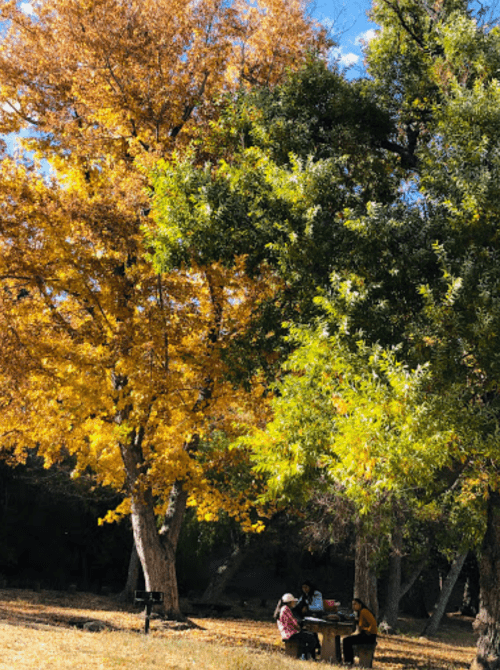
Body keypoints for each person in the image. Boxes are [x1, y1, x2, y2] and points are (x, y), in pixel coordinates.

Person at [275, 593, 321, 660]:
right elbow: (294, 623)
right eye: (293, 602)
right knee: (312, 639)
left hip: (286, 633)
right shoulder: (286, 609)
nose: (294, 603)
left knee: (307, 635)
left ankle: (307, 656)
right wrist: (300, 627)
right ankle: (302, 654)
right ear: (289, 602)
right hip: (290, 634)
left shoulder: (282, 609)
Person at [342, 598, 378, 666]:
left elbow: (373, 624)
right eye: (352, 604)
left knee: (346, 640)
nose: (353, 606)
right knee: (348, 640)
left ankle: (348, 661)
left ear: (360, 604)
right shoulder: (360, 612)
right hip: (365, 635)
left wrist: (368, 631)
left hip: (369, 636)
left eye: (355, 604)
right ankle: (348, 660)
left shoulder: (364, 611)